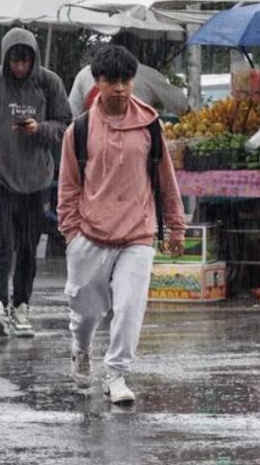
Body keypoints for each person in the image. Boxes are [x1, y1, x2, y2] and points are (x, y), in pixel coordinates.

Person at [57, 45, 186, 405]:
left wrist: (176, 226)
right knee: (86, 313)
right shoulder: (78, 130)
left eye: (125, 80)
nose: (119, 88)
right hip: (89, 235)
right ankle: (81, 347)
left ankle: (116, 374)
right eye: (110, 81)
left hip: (137, 234)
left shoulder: (150, 125)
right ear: (96, 84)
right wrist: (71, 234)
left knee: (129, 306)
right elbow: (67, 186)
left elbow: (166, 180)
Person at [0, 27, 73, 338]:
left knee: (27, 247)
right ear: (6, 59)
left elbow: (66, 126)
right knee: (0, 242)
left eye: (26, 61)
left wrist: (40, 129)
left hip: (35, 180)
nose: (20, 67)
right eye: (15, 61)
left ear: (34, 60)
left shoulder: (49, 83)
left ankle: (21, 306)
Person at [69, 63, 189, 117]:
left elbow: (71, 116)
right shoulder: (145, 73)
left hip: (93, 149)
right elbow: (181, 104)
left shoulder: (86, 74)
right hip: (135, 146)